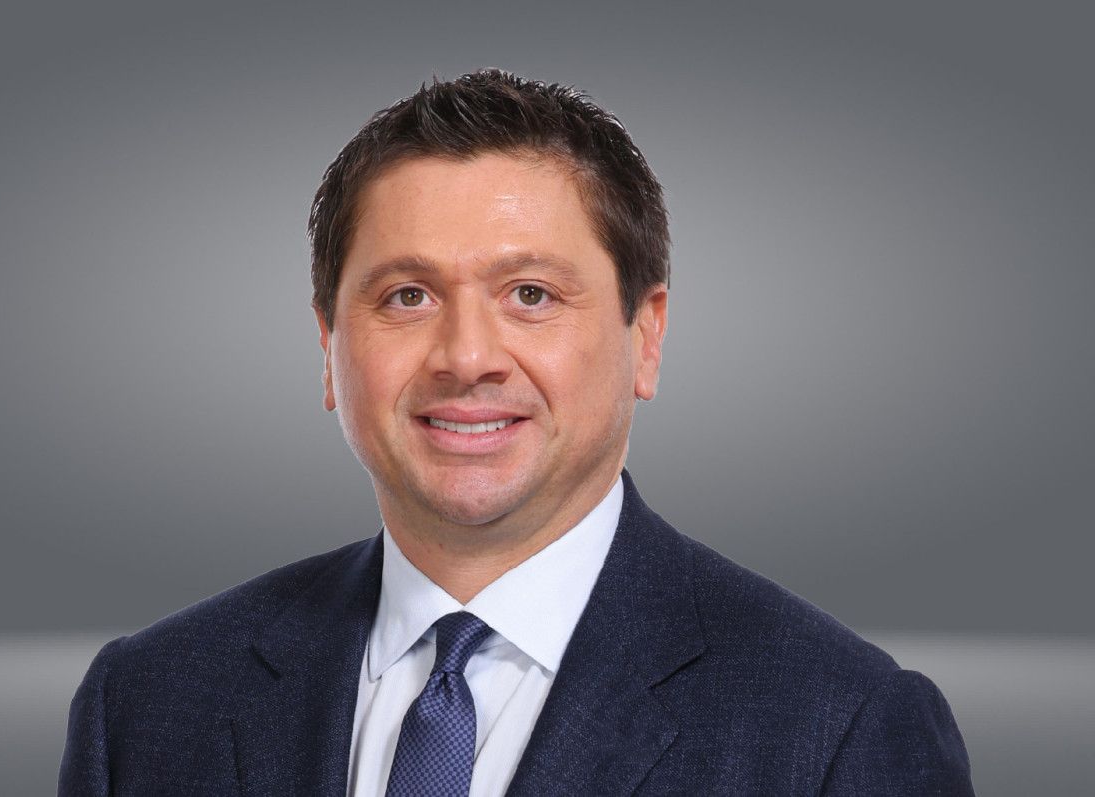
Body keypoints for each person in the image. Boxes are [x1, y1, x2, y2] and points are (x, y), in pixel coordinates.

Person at [59, 69, 974, 795]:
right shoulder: (145, 703)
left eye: (530, 294)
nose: (466, 357)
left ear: (646, 336)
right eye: (406, 296)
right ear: (329, 345)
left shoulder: (838, 726)